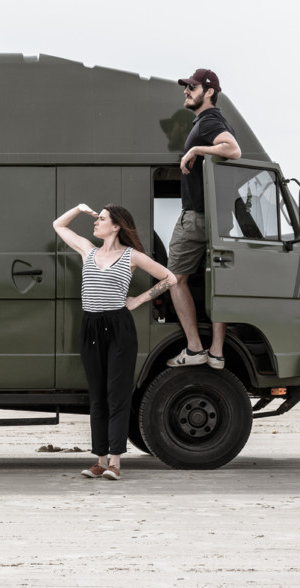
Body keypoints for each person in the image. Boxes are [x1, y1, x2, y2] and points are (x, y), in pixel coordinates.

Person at [53, 203, 177, 480]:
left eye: (102, 219)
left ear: (117, 226)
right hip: (91, 327)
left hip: (119, 327)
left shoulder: (132, 256)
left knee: (117, 395)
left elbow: (169, 278)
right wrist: (78, 209)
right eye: (97, 218)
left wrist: (138, 300)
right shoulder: (88, 250)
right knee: (97, 396)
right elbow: (58, 226)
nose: (96, 222)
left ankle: (116, 463)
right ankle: (99, 460)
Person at [166, 68, 242, 369]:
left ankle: (196, 348)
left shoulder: (210, 120)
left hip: (196, 217)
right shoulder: (213, 121)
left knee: (175, 279)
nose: (186, 91)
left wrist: (196, 148)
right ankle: (217, 352)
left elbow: (233, 150)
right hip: (219, 219)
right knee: (218, 283)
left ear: (209, 91)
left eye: (192, 87)